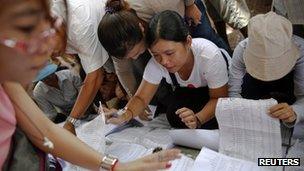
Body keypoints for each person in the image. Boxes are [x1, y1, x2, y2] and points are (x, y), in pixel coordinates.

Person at [0, 0, 180, 170]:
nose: (44, 58)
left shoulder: (9, 80)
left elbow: (45, 132)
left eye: (48, 34)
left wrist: (116, 166)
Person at [98, 0, 231, 119]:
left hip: (183, 10)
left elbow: (219, 98)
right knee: (175, 114)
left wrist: (190, 5)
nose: (164, 62)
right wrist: (126, 113)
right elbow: (138, 93)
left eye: (169, 53)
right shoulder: (123, 42)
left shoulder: (207, 55)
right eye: (156, 55)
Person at [228, 12, 304, 130]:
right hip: (256, 93)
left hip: (289, 92)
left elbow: (303, 96)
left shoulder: (301, 50)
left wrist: (295, 112)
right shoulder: (241, 50)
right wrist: (242, 110)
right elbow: (234, 92)